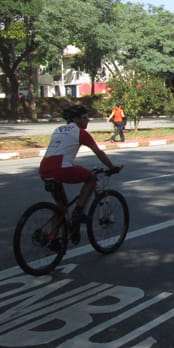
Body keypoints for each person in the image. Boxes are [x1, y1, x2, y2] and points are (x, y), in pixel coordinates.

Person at [39, 104, 121, 246]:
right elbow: (99, 153)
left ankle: (52, 237)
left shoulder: (58, 130)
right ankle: (78, 211)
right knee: (92, 178)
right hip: (61, 168)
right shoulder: (80, 133)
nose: (87, 120)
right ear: (76, 119)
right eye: (84, 118)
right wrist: (112, 167)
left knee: (61, 206)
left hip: (44, 168)